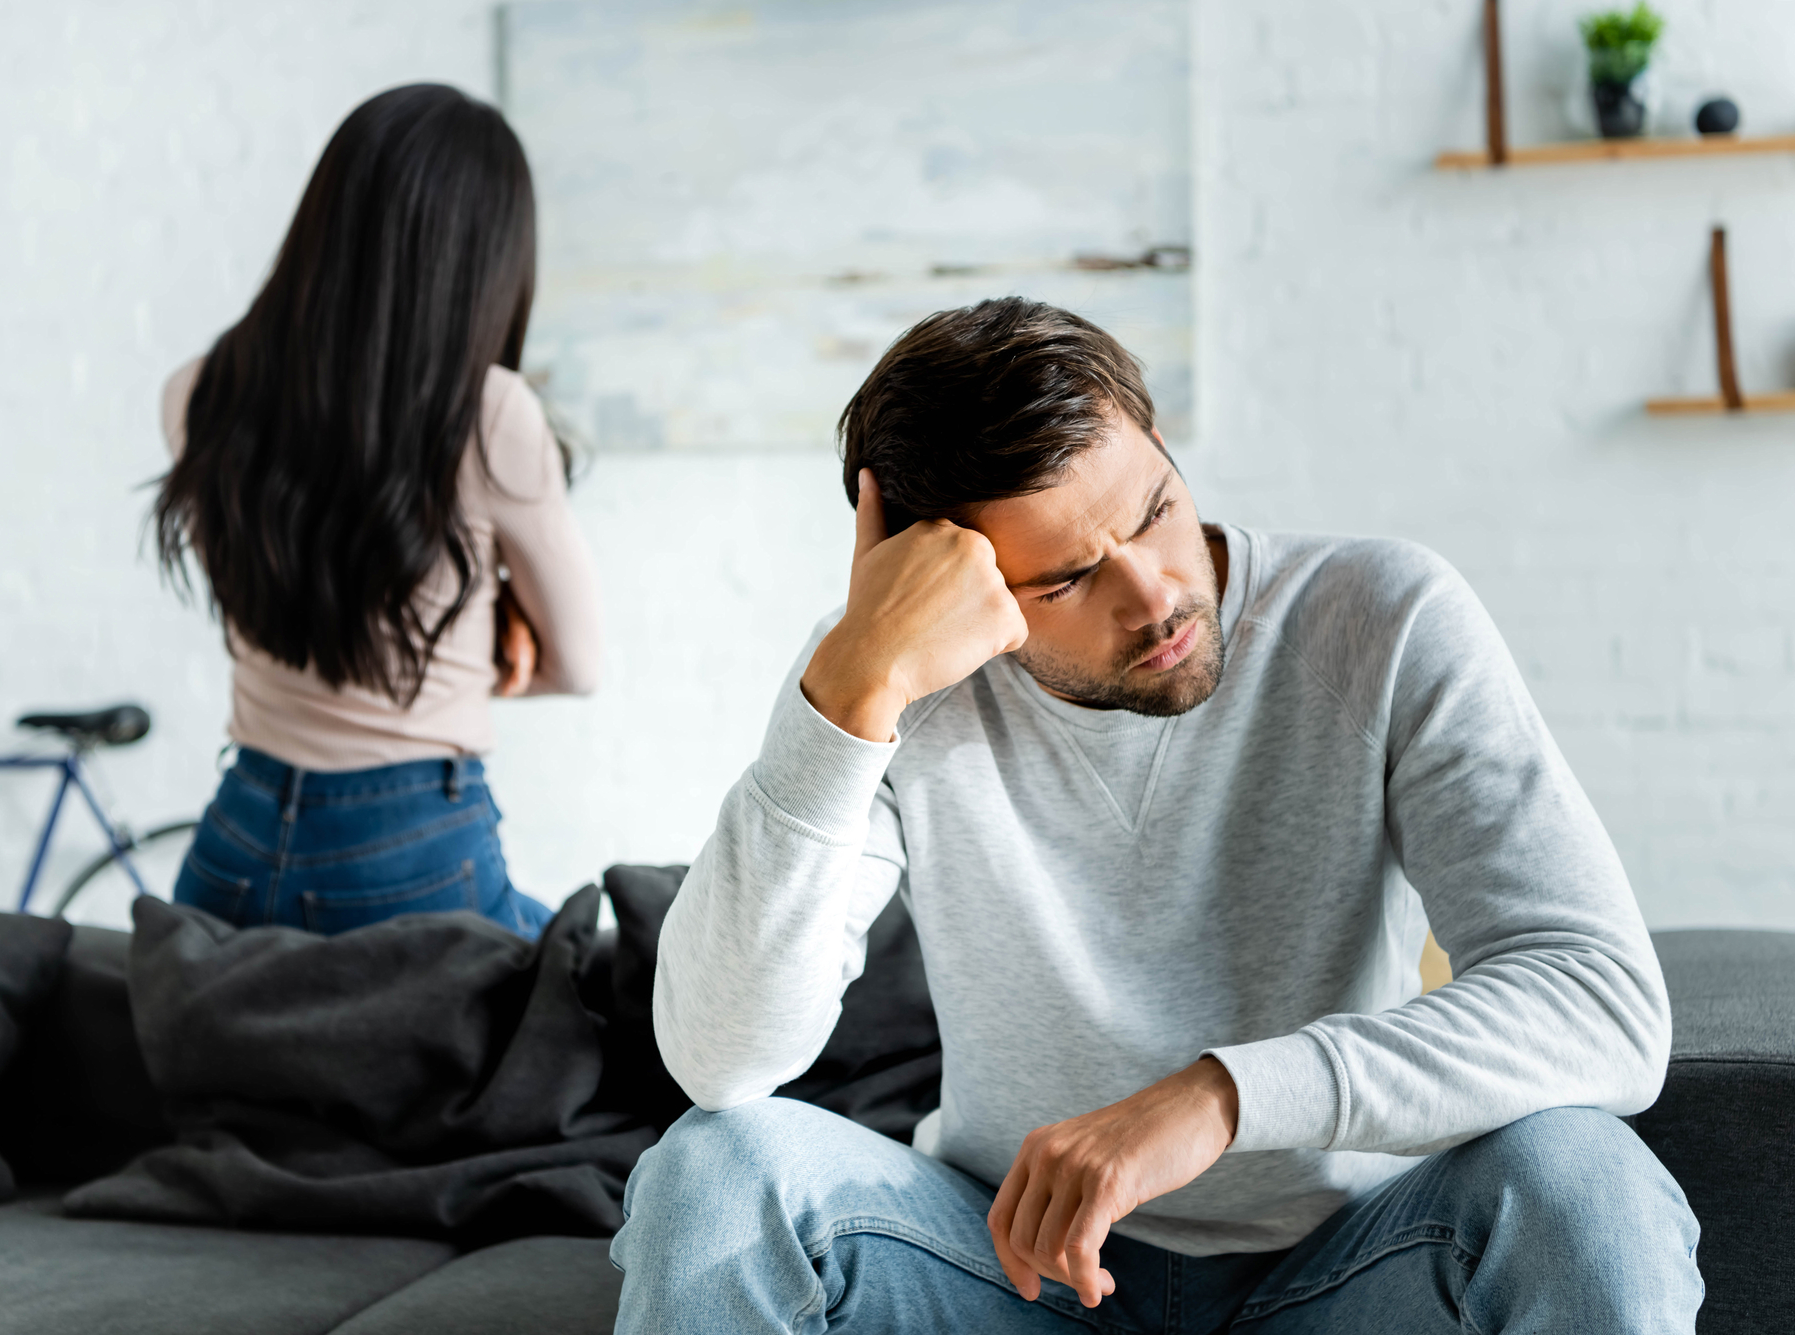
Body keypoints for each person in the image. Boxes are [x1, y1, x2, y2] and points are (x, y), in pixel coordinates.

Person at [611, 297, 1700, 1332]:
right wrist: (848, 692)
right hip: (1006, 1277)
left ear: (1156, 438)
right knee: (712, 1174)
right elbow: (721, 1062)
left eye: (1153, 510)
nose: (1153, 595)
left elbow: (1598, 1006)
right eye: (1068, 580)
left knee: (1585, 1183)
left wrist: (1219, 1097)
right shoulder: (894, 683)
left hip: (1348, 1269)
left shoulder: (1383, 618)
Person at [151, 84, 599, 940]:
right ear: (486, 259)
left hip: (233, 845)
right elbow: (578, 665)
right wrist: (485, 648)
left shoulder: (197, 393)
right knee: (588, 1008)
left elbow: (314, 556)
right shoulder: (491, 412)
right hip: (412, 850)